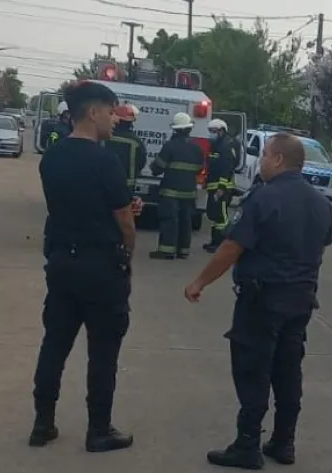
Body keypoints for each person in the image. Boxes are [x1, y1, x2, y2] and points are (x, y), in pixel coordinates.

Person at [184, 132, 332, 470]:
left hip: (263, 299)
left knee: (253, 369)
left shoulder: (263, 199)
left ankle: (247, 444)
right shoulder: (320, 203)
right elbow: (320, 246)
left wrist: (200, 281)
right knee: (287, 369)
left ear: (279, 159)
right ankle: (284, 441)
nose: (262, 160)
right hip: (300, 300)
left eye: (266, 154)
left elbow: (232, 247)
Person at [30, 81, 137, 453]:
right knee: (103, 351)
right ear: (93, 113)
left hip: (61, 262)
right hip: (100, 267)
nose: (113, 119)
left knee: (54, 344)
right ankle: (99, 429)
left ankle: (42, 423)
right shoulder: (105, 159)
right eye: (110, 112)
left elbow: (73, 204)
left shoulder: (52, 157)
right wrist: (128, 252)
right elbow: (123, 218)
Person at [149, 112, 205, 260]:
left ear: (175, 129)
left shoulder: (170, 146)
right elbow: (200, 169)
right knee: (186, 221)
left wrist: (153, 166)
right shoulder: (197, 148)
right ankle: (183, 251)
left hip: (170, 192)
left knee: (169, 220)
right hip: (189, 193)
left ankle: (167, 251)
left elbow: (157, 168)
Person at [202, 119, 239, 253]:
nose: (211, 134)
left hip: (222, 188)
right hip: (214, 186)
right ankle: (214, 242)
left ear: (222, 131)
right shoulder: (216, 145)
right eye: (210, 132)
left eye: (214, 132)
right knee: (214, 215)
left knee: (222, 217)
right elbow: (212, 166)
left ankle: (220, 245)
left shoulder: (226, 146)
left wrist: (221, 188)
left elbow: (227, 168)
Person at [103, 104, 146, 205]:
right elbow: (141, 162)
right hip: (126, 187)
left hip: (104, 185)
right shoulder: (136, 142)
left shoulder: (104, 137)